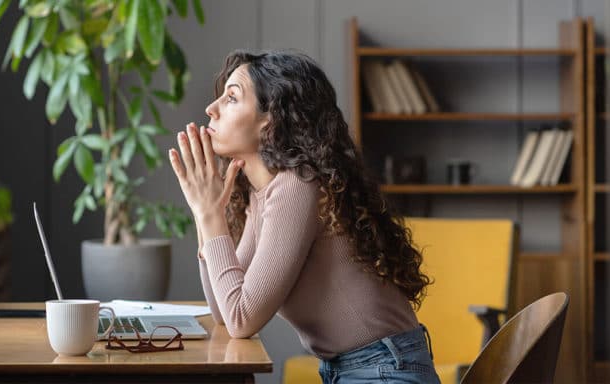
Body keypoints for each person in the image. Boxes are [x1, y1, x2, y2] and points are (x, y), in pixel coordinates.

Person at [168, 49, 440, 384]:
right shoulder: (264, 195)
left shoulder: (297, 185)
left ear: (271, 120)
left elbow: (241, 318)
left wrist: (210, 216)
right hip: (362, 369)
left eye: (232, 98)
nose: (211, 109)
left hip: (384, 372)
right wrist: (204, 213)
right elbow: (225, 312)